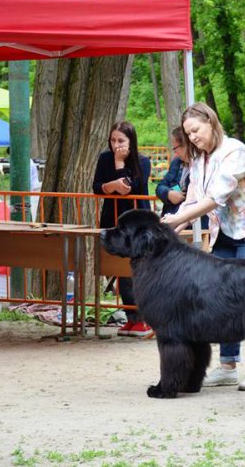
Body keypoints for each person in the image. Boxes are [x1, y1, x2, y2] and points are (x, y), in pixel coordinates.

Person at [162, 102, 245, 391]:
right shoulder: (199, 160)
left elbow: (215, 198)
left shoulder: (234, 151)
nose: (193, 138)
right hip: (225, 235)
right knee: (221, 298)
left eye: (196, 130)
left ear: (211, 123)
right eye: (188, 134)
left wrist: (178, 219)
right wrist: (169, 224)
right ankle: (227, 365)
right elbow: (193, 198)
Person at [92, 121, 152, 337]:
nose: (116, 145)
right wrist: (110, 186)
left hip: (136, 222)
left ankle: (143, 319)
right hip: (113, 220)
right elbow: (97, 186)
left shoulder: (143, 161)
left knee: (135, 271)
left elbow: (129, 187)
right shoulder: (104, 158)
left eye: (121, 141)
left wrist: (119, 164)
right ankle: (131, 318)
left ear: (130, 141)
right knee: (120, 270)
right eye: (113, 140)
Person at [156, 127, 190, 217]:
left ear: (185, 145)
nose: (174, 151)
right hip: (170, 219)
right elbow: (160, 187)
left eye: (175, 147)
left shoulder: (200, 167)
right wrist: (168, 193)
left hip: (190, 223)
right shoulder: (177, 163)